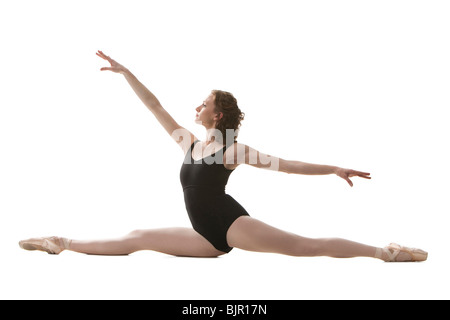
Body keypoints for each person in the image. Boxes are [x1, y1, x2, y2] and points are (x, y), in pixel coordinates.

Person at [18, 51, 427, 262]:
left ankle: (386, 252)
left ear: (217, 113)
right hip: (204, 238)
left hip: (231, 225)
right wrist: (127, 74)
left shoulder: (234, 150)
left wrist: (332, 168)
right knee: (136, 239)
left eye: (203, 103)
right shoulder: (190, 144)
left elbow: (288, 165)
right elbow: (155, 105)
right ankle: (61, 242)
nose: (195, 107)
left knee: (304, 246)